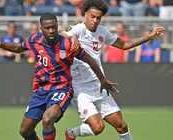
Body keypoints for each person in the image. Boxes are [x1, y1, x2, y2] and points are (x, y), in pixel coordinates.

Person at [0, 13, 118, 140]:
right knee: (25, 131)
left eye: (54, 27)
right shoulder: (35, 40)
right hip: (41, 90)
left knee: (47, 119)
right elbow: (17, 48)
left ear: (57, 26)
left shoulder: (68, 44)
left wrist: (102, 79)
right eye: (47, 28)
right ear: (41, 29)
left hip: (62, 88)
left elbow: (90, 60)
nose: (51, 31)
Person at [61, 0, 165, 140]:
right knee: (97, 128)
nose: (95, 20)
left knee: (122, 126)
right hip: (80, 89)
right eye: (92, 16)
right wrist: (72, 37)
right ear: (85, 14)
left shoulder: (102, 32)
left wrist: (149, 36)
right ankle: (71, 133)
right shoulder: (78, 29)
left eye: (98, 17)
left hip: (99, 85)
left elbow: (125, 44)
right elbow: (62, 36)